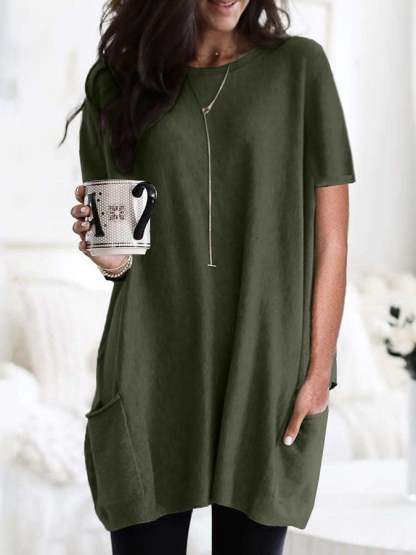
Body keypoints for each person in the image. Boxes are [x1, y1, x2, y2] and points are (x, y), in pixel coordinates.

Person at [64, 0, 356, 553]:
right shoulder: (115, 83)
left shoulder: (300, 69)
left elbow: (332, 240)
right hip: (151, 362)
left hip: (264, 363)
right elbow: (122, 252)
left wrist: (319, 373)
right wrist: (107, 259)